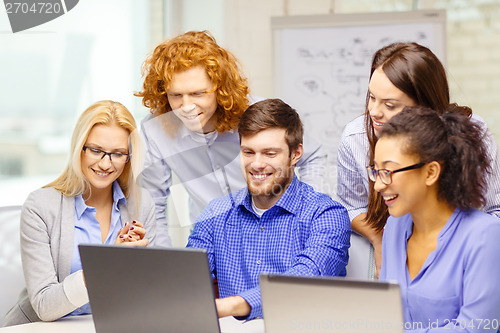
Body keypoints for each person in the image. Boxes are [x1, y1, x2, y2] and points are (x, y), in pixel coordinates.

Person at [135, 30, 326, 247]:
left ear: (220, 89)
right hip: (210, 241)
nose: (186, 106)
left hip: (274, 232)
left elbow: (313, 156)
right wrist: (165, 262)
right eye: (176, 95)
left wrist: (307, 216)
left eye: (198, 94)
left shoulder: (258, 113)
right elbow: (153, 202)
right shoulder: (156, 130)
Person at [336, 42, 500, 277]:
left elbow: (495, 209)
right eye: (371, 97)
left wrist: (457, 253)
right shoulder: (356, 138)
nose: (374, 111)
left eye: (390, 105)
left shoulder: (472, 133)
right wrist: (383, 240)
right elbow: (350, 206)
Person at [186, 98, 351, 320]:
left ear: (296, 154)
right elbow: (188, 278)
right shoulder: (216, 213)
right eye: (248, 152)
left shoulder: (326, 215)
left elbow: (303, 281)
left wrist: (232, 306)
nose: (257, 164)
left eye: (270, 153)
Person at [2, 100, 156, 327]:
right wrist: (107, 263)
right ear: (79, 148)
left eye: (118, 153)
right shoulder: (40, 206)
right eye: (96, 150)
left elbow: (145, 298)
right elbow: (45, 306)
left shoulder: (141, 206)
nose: (106, 163)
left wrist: (136, 266)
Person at [371, 106, 500, 332]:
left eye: (388, 171)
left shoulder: (485, 236)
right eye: (375, 170)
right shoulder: (394, 226)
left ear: (430, 172)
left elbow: (476, 329)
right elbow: (384, 316)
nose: (378, 184)